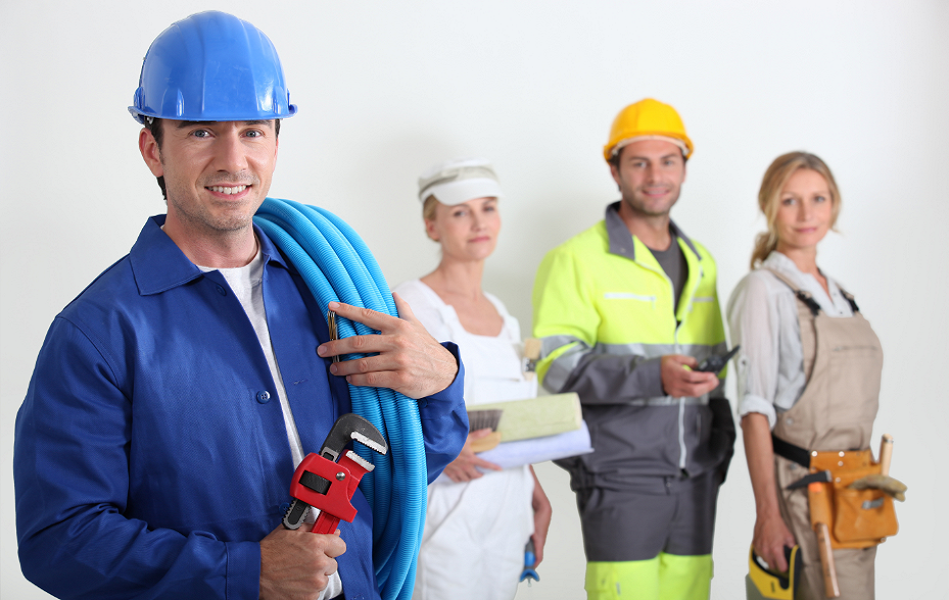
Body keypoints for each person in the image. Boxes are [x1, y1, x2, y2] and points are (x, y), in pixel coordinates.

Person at [13, 11, 467, 600]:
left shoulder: (327, 292)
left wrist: (441, 380)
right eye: (201, 132)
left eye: (252, 131)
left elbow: (402, 472)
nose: (233, 160)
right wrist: (244, 571)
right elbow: (59, 539)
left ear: (276, 143)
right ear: (153, 150)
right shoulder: (98, 333)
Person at [531, 98, 735, 600]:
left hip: (696, 477)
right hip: (620, 477)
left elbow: (716, 371)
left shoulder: (702, 261)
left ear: (684, 167)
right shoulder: (576, 259)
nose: (655, 175)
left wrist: (721, 445)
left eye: (668, 161)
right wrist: (652, 375)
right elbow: (554, 366)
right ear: (615, 170)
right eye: (639, 163)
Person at [393, 158, 552, 600]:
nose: (479, 222)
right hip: (445, 516)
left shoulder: (504, 316)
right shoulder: (411, 305)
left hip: (508, 513)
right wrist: (443, 446)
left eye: (488, 208)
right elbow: (383, 413)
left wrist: (535, 492)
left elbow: (510, 420)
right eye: (461, 212)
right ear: (432, 226)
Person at [728, 152, 885, 599]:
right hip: (803, 494)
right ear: (769, 206)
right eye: (789, 200)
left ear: (834, 205)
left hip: (857, 493)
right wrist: (768, 515)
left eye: (818, 198)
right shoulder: (763, 290)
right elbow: (754, 409)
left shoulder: (842, 296)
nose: (806, 214)